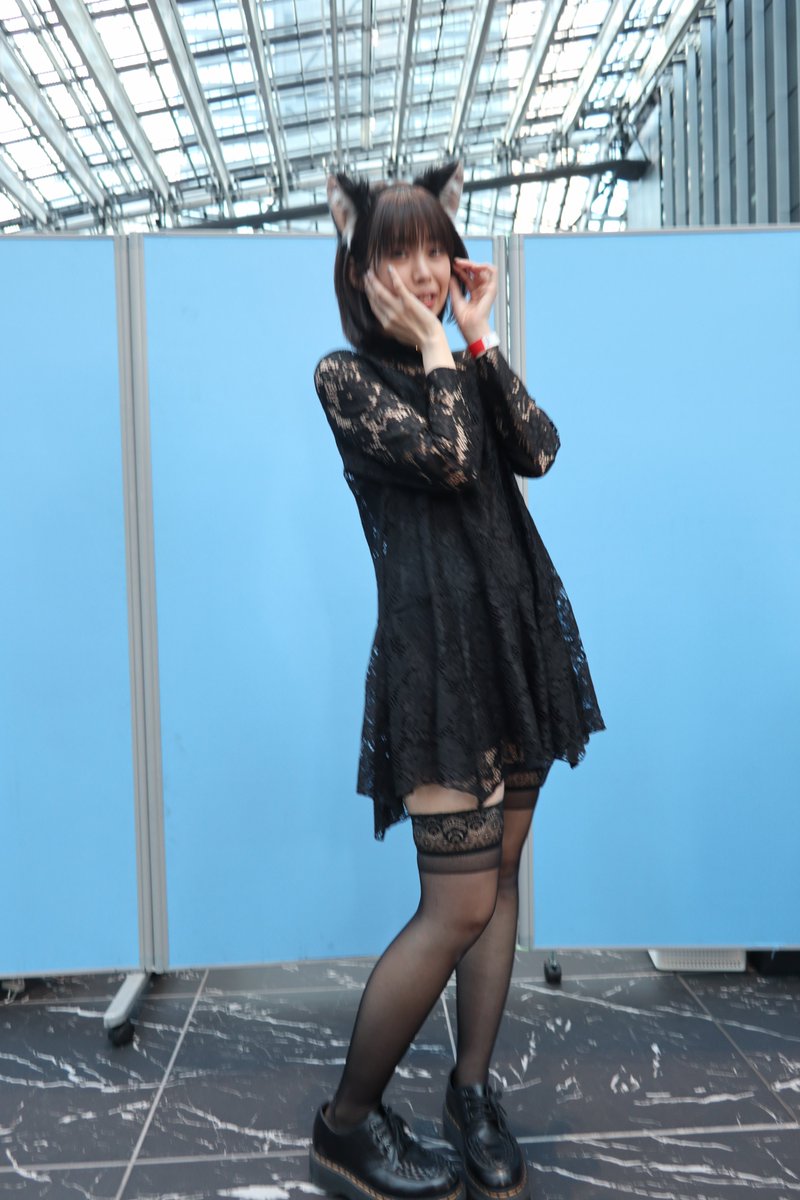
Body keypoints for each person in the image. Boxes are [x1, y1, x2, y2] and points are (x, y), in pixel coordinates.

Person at [310, 161, 605, 1200]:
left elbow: (538, 449)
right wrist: (440, 349)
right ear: (360, 268)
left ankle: (470, 1092)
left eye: (436, 247)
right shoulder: (343, 378)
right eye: (399, 251)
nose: (427, 269)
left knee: (501, 879)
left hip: (515, 641)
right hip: (435, 661)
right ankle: (345, 1125)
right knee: (455, 904)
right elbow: (446, 458)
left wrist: (478, 335)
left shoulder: (462, 359)